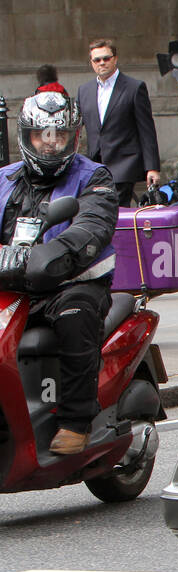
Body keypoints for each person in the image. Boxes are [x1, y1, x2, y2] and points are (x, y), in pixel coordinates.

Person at [0, 93, 119, 456]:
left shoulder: (93, 177)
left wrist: (52, 255)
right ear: (26, 136)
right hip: (12, 287)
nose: (50, 144)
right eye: (42, 136)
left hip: (71, 284)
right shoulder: (3, 179)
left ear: (74, 137)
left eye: (59, 136)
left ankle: (75, 421)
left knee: (76, 316)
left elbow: (91, 225)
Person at [75, 39, 162, 208]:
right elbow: (76, 125)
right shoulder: (84, 90)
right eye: (97, 60)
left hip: (124, 163)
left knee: (115, 211)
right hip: (95, 165)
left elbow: (147, 130)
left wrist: (152, 167)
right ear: (91, 63)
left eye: (106, 58)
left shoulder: (134, 87)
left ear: (115, 59)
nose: (102, 63)